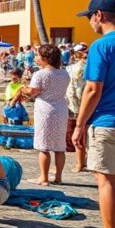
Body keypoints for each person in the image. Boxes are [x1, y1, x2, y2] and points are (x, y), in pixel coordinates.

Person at [72, 0, 115, 228]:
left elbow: (92, 89)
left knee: (107, 182)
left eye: (89, 16)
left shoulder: (102, 46)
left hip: (109, 123)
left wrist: (79, 124)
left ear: (99, 16)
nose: (90, 22)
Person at [15, 44, 70, 185]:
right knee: (59, 146)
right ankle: (58, 177)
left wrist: (22, 88)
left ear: (45, 58)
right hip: (61, 109)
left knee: (43, 146)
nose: (36, 58)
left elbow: (32, 92)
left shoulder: (40, 74)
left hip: (45, 110)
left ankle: (44, 178)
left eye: (38, 55)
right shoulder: (64, 73)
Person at [67, 43, 89, 172]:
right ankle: (81, 162)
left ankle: (80, 164)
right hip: (74, 105)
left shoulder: (81, 68)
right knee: (79, 137)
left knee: (79, 138)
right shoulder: (72, 68)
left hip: (82, 106)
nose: (85, 54)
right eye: (82, 52)